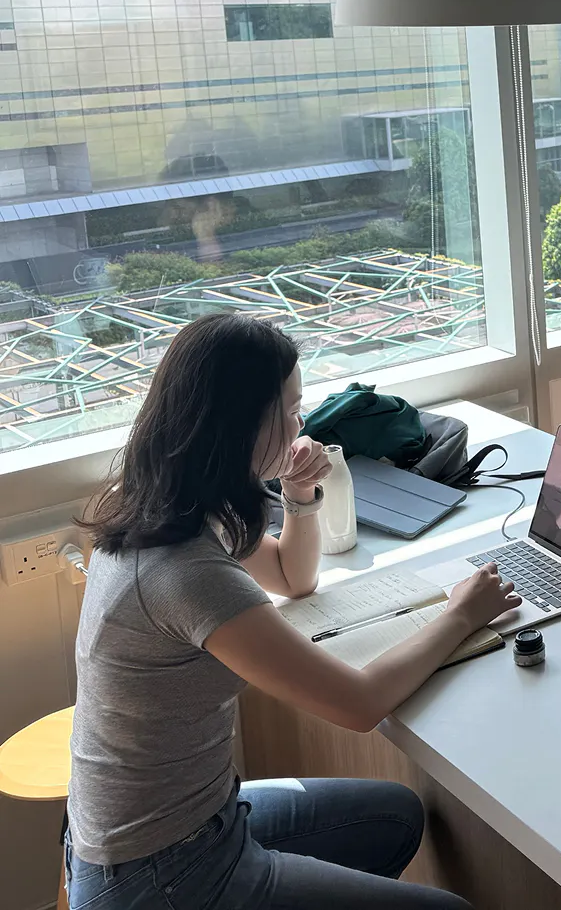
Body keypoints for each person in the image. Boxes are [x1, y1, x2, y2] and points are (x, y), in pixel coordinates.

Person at [67, 312, 519, 909]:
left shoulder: (169, 500)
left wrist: (299, 495)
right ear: (238, 424)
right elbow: (358, 705)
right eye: (287, 409)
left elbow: (292, 580)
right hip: (164, 874)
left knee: (397, 816)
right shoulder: (184, 571)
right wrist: (461, 614)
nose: (299, 424)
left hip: (187, 821)